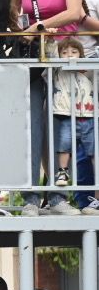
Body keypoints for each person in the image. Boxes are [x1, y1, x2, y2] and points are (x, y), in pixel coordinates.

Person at [11, 0, 85, 215]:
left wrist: (37, 27)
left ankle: (57, 196)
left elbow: (74, 12)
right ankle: (30, 197)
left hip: (61, 55)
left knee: (60, 126)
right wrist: (23, 31)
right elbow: (12, 15)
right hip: (32, 58)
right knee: (33, 124)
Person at [49, 37, 97, 216]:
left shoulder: (86, 73)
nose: (70, 56)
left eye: (74, 52)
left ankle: (96, 192)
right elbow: (50, 57)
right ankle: (63, 172)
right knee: (64, 145)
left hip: (88, 116)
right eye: (65, 52)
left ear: (81, 55)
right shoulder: (57, 72)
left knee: (93, 150)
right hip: (66, 115)